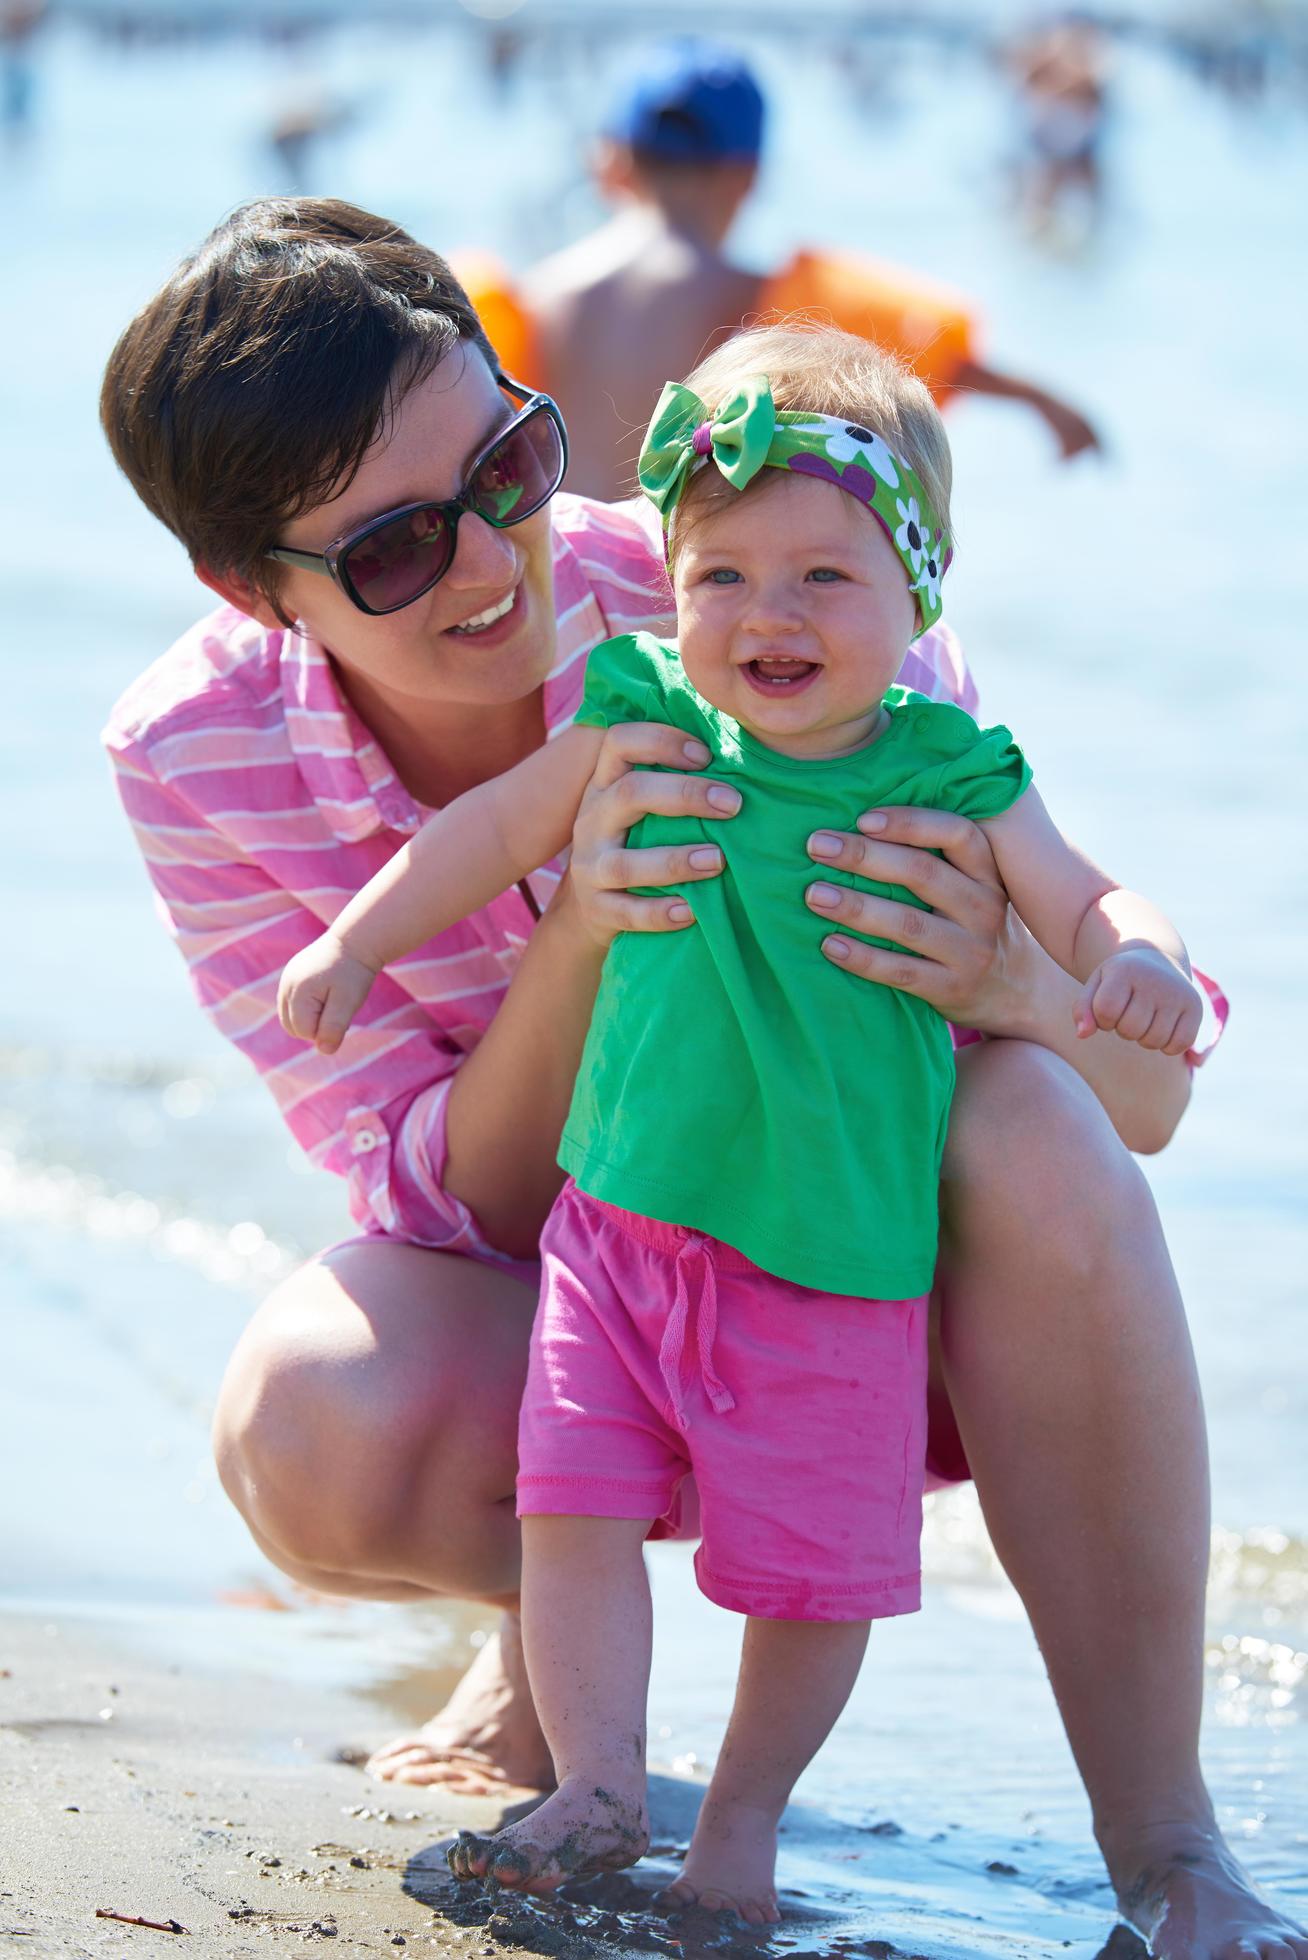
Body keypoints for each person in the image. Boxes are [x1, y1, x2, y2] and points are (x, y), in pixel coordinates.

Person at [97, 197, 1305, 1960]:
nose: (493, 562)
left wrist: (1008, 982)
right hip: (596, 1298)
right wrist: (584, 929)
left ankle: (1167, 1846)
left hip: (863, 1294)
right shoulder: (193, 754)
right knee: (314, 1422)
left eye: (505, 463)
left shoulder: (765, 585)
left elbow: (1145, 1112)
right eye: (391, 553)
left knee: (1030, 1120)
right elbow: (450, 1201)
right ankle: (565, 1697)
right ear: (247, 587)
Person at [275, 325, 1203, 1925]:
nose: (768, 616)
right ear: (670, 584)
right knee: (564, 1509)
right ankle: (598, 1781)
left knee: (810, 1580)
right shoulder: (643, 727)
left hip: (829, 1267)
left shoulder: (954, 773)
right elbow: (493, 833)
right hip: (620, 1235)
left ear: (920, 596)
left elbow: (1084, 894)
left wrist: (1138, 960)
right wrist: (355, 940)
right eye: (723, 578)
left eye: (825, 580)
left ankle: (746, 1821)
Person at [459, 37, 1103, 501]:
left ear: (611, 165)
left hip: (569, 593)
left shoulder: (524, 300)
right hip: (689, 612)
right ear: (748, 176)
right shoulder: (773, 299)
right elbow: (929, 356)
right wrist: (1045, 403)